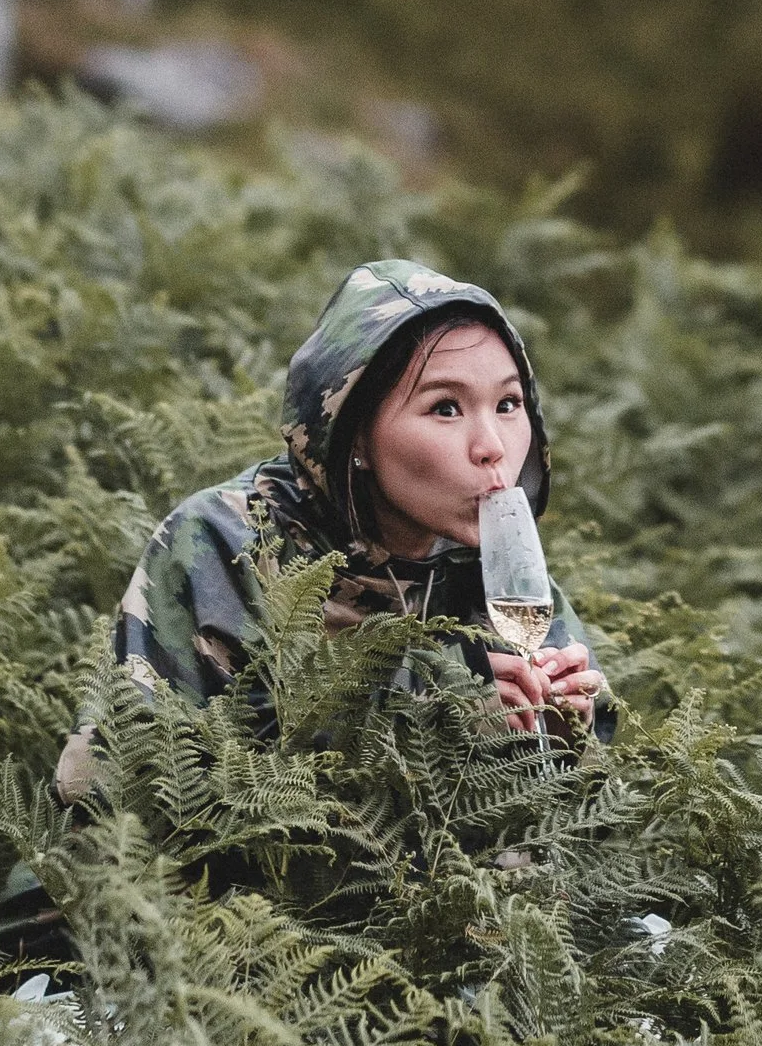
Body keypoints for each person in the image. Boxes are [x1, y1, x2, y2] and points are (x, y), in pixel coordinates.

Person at [55, 255, 607, 800]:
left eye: (509, 404)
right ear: (355, 434)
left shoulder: (496, 567)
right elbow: (137, 789)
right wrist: (425, 716)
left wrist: (561, 740)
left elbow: (592, 825)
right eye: (446, 408)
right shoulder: (228, 542)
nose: (493, 448)